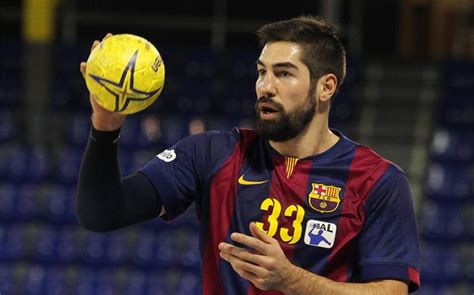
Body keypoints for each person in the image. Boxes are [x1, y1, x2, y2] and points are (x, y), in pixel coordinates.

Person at [76, 15, 420, 294]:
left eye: (284, 73)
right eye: (261, 72)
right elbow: (102, 214)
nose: (265, 87)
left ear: (326, 87)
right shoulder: (212, 154)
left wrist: (292, 281)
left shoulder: (378, 180)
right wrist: (105, 125)